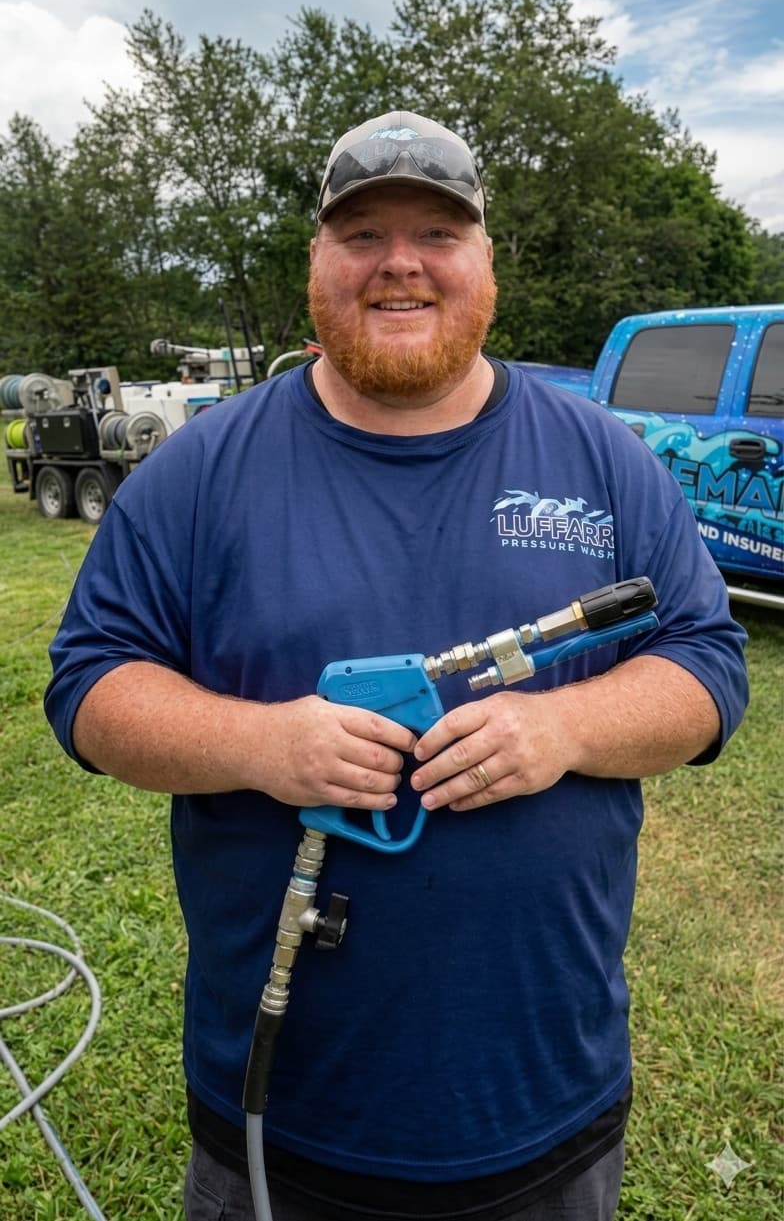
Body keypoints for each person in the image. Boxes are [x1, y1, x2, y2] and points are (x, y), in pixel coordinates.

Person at [45, 109, 748, 1221]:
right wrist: (260, 744)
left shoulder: (600, 459)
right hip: (280, 1116)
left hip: (544, 1111)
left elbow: (708, 663)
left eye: (438, 230)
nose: (401, 262)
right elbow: (87, 684)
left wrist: (563, 729)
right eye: (362, 232)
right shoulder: (201, 470)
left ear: (485, 263)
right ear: (317, 264)